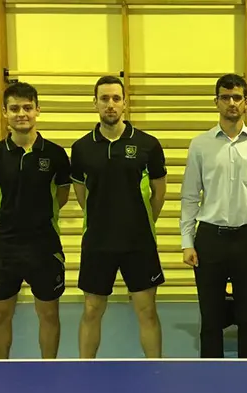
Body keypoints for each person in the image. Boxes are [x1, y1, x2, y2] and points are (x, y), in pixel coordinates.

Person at [71, 75, 167, 358]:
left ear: (125, 102)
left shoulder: (148, 144)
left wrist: (140, 221)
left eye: (115, 98)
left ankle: (155, 368)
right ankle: (85, 368)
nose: (110, 105)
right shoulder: (81, 148)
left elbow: (158, 193)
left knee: (147, 310)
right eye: (104, 99)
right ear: (95, 104)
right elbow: (81, 193)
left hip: (138, 242)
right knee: (91, 309)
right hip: (98, 242)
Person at [180, 74, 247, 358]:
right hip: (210, 238)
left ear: (246, 102)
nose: (231, 103)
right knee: (210, 316)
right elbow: (189, 196)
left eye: (237, 97)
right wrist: (187, 241)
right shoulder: (200, 145)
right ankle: (212, 374)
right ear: (216, 102)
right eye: (225, 97)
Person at [0, 82, 71, 359]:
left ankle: (49, 368)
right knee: (0, 315)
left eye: (27, 107)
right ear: (5, 112)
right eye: (14, 108)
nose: (21, 114)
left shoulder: (55, 155)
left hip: (45, 246)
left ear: (37, 110)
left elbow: (61, 196)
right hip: (5, 247)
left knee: (49, 314)